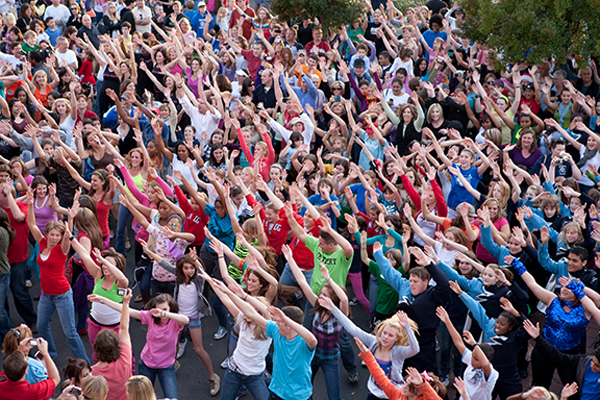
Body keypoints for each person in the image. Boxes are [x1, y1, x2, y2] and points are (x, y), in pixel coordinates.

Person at [26, 190, 89, 362]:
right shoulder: (43, 242)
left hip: (62, 294)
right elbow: (31, 224)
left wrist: (71, 217)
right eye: (51, 234)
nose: (54, 238)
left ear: (61, 237)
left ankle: (84, 363)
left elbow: (68, 234)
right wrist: (31, 203)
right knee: (41, 326)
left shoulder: (62, 249)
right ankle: (51, 354)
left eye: (57, 235)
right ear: (47, 234)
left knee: (70, 333)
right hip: (46, 295)